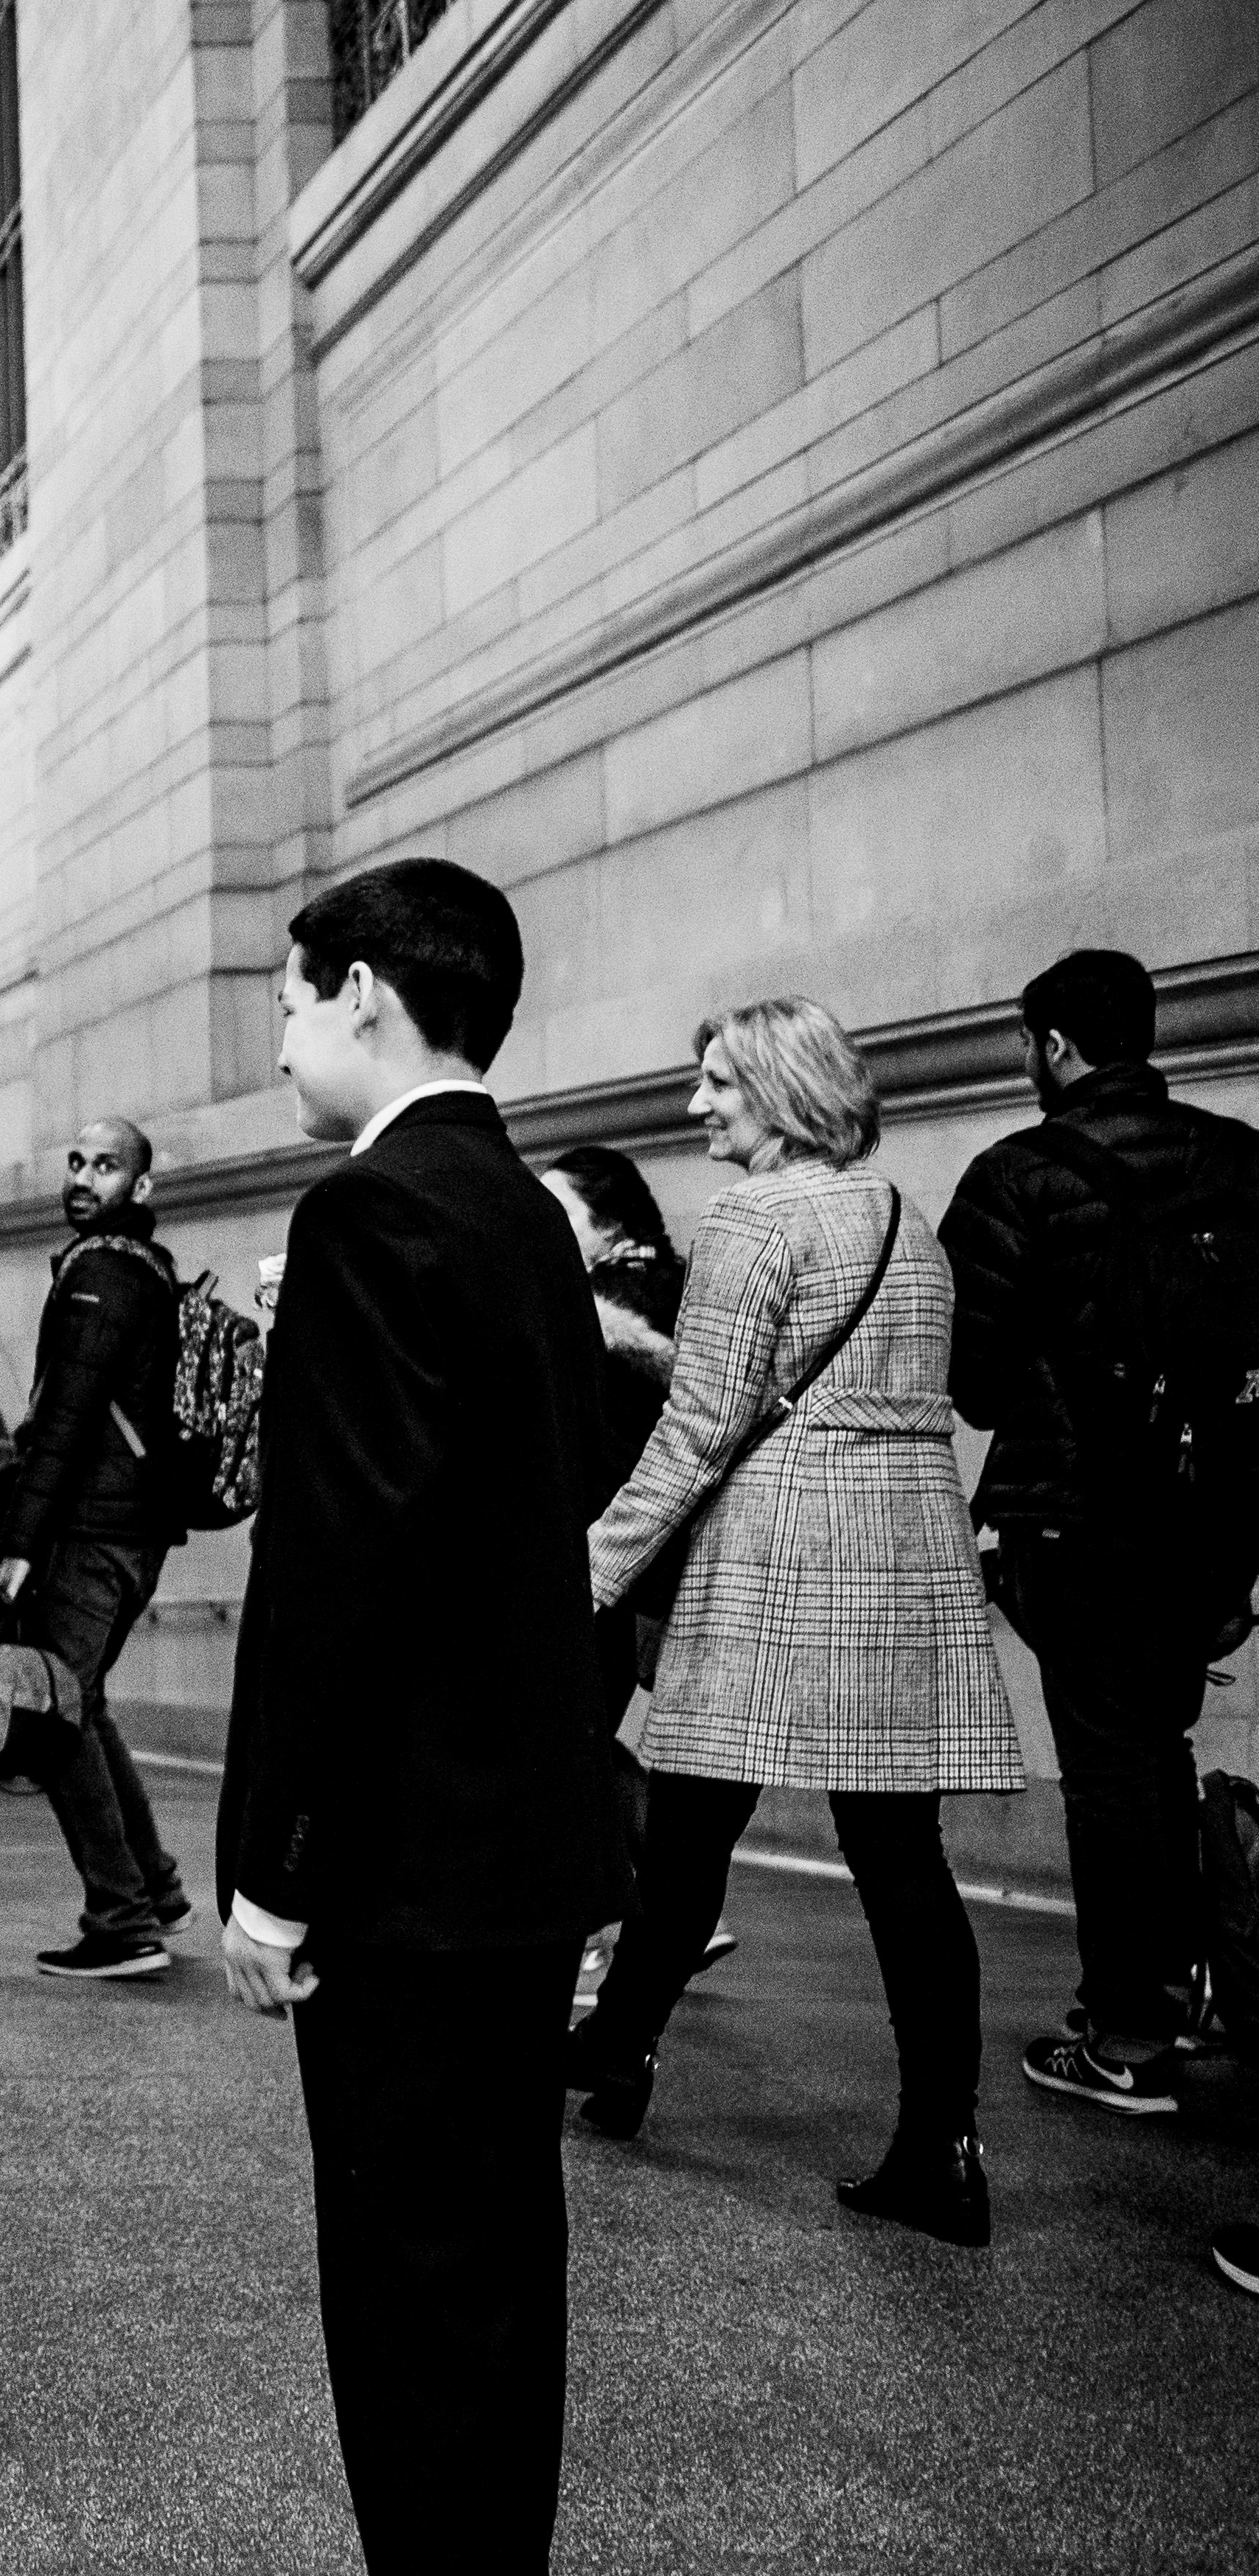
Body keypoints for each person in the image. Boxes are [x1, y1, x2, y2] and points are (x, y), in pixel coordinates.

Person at [215, 859, 625, 2576]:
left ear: (369, 990)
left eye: (298, 1002)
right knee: (495, 2267)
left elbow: (345, 1566)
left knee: (407, 2284)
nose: (291, 1038)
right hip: (518, 1831)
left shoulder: (371, 1214)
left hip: (405, 1854)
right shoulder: (524, 1205)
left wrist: (279, 1864)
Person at [575, 996, 1021, 2247]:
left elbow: (703, 1428)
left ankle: (612, 2048)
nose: (694, 1103)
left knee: (690, 1821)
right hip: (897, 1542)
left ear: (776, 1089)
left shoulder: (752, 1215)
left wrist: (590, 1564)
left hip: (777, 1546)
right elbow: (811, 1385)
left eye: (715, 1080)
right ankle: (943, 2145)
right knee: (899, 1860)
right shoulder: (900, 1214)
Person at [941, 949, 1259, 2117]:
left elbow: (970, 1376)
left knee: (1111, 1765)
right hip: (1215, 1516)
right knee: (1154, 1745)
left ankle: (1129, 2033)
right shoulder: (1236, 1159)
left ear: (1054, 1046)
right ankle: (1177, 1996)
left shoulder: (1016, 1172)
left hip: (1080, 1517)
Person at [0, 1117, 195, 1979]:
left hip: (94, 1529)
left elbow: (66, 1415)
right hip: (130, 1527)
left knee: (56, 1719)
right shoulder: (142, 1270)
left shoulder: (102, 1271)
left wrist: (21, 1542)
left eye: (105, 1166)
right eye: (76, 1162)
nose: (83, 1178)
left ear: (141, 1187)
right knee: (82, 1703)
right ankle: (154, 1889)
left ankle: (121, 1920)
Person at [537, 1148, 730, 1990]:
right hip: (656, 1564)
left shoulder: (598, 1313)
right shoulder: (679, 1287)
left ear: (607, 1222)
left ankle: (607, 1927)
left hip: (604, 1562)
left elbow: (603, 1455)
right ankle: (679, 1911)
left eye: (560, 1213)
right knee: (575, 1737)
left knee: (563, 1740)